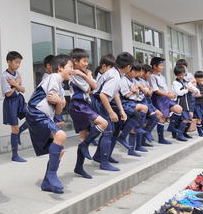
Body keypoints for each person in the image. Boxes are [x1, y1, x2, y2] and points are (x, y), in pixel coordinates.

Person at [25, 54, 72, 193]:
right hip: (37, 114)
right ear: (60, 68)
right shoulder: (54, 77)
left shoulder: (61, 87)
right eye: (70, 67)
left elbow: (58, 111)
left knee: (60, 150)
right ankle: (52, 175)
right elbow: (52, 98)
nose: (72, 70)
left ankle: (47, 182)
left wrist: (60, 102)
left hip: (44, 116)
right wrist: (60, 101)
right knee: (61, 135)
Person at [67, 48, 107, 179]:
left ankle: (79, 167)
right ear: (75, 61)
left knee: (83, 136)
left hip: (82, 105)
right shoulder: (75, 74)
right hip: (78, 105)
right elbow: (92, 88)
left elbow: (93, 88)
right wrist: (87, 76)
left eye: (87, 61)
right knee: (103, 123)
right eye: (84, 61)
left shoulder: (81, 73)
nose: (86, 63)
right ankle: (85, 146)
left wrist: (87, 77)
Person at [92, 52, 134, 171]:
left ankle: (99, 156)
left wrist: (121, 110)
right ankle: (104, 162)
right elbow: (103, 95)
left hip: (101, 101)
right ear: (128, 67)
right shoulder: (115, 75)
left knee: (112, 130)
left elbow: (114, 93)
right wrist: (111, 112)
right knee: (108, 131)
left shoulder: (116, 73)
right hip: (98, 102)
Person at [149, 57, 186, 142]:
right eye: (161, 65)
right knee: (162, 117)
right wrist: (167, 95)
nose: (162, 67)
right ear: (154, 66)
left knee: (179, 109)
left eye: (163, 65)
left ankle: (171, 126)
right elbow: (156, 90)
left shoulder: (162, 76)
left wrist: (170, 93)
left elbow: (165, 88)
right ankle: (161, 138)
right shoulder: (152, 76)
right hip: (158, 99)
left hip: (166, 98)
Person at [1, 51, 28, 163]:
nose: (18, 65)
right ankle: (15, 155)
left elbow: (23, 90)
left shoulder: (18, 74)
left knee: (32, 116)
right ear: (9, 62)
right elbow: (8, 94)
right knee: (14, 128)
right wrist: (17, 85)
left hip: (19, 100)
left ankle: (20, 131)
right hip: (10, 103)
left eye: (19, 63)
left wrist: (15, 84)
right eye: (16, 62)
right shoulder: (4, 76)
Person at [118, 61, 149, 156]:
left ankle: (131, 150)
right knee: (144, 108)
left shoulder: (134, 80)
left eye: (138, 72)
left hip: (133, 102)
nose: (136, 74)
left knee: (133, 128)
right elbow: (126, 95)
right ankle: (137, 128)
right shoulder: (123, 80)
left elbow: (144, 93)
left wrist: (140, 88)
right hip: (126, 103)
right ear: (129, 70)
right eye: (135, 72)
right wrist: (133, 90)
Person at [137, 64, 162, 143]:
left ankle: (147, 133)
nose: (150, 75)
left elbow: (150, 93)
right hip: (143, 102)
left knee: (159, 115)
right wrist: (150, 90)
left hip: (148, 102)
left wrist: (149, 90)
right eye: (149, 73)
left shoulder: (146, 81)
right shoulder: (139, 81)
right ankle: (144, 137)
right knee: (153, 117)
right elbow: (148, 93)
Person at [172, 65, 193, 139]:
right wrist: (187, 90)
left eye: (182, 74)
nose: (181, 76)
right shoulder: (175, 82)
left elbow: (193, 88)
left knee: (189, 117)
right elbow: (178, 93)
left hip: (187, 102)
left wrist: (195, 91)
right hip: (180, 103)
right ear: (176, 75)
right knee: (184, 118)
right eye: (179, 75)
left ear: (184, 73)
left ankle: (184, 133)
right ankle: (179, 134)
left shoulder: (186, 82)